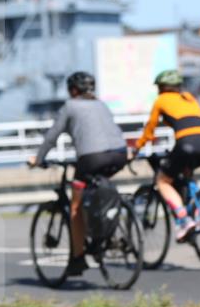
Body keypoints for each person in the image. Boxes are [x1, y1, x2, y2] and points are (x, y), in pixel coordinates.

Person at [28, 71, 128, 276]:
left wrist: (38, 159)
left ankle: (78, 257)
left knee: (75, 206)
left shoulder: (70, 106)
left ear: (73, 90)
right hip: (119, 155)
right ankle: (107, 235)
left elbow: (52, 136)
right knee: (99, 191)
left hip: (92, 158)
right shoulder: (101, 104)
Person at [132, 69, 200, 241]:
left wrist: (137, 147)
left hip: (187, 142)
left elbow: (150, 128)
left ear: (162, 87)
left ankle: (185, 220)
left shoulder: (161, 100)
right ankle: (197, 215)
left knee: (162, 181)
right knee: (186, 172)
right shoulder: (189, 98)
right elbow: (190, 121)